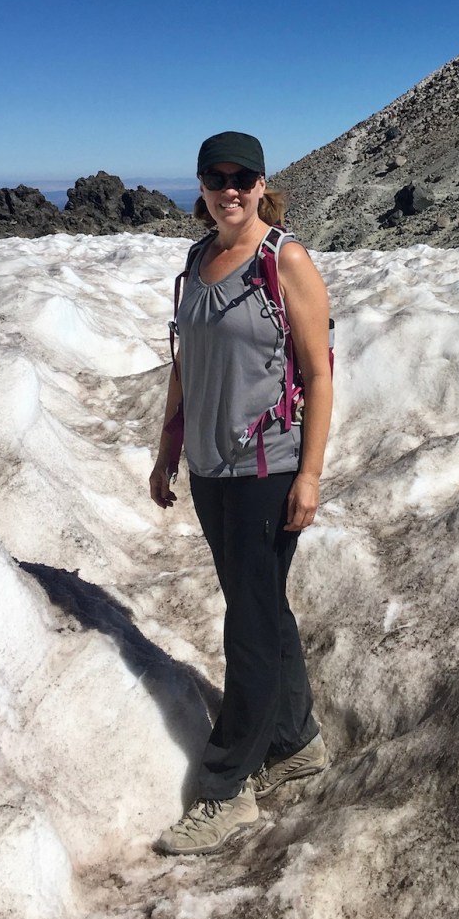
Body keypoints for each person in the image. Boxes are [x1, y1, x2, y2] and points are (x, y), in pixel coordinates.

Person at [150, 131, 333, 855]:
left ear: (262, 184)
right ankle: (295, 741)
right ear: (200, 184)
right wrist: (169, 447)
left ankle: (228, 789)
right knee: (258, 607)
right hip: (210, 470)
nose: (229, 189)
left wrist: (310, 475)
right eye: (215, 177)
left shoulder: (282, 260)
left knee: (250, 627)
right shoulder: (198, 261)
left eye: (242, 178)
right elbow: (185, 364)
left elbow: (319, 375)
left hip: (268, 471)